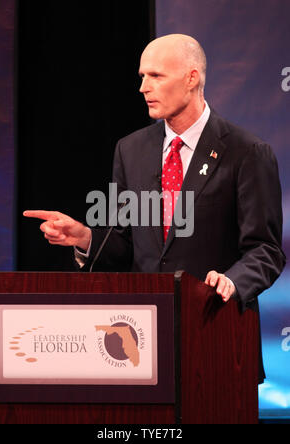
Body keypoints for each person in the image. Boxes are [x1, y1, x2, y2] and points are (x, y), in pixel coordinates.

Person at [24, 35, 286, 374]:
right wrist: (85, 238)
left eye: (156, 76)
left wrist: (233, 282)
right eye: (142, 76)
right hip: (140, 344)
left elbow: (266, 250)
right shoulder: (130, 150)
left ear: (192, 78)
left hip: (219, 339)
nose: (143, 87)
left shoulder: (246, 152)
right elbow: (125, 245)